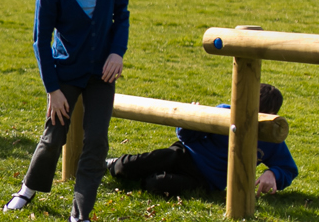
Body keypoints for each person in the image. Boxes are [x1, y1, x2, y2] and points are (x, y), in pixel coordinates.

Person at [3, 0, 129, 222]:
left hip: (103, 74)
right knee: (54, 134)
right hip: (65, 74)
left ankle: (81, 213)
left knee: (97, 140)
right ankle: (27, 191)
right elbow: (40, 41)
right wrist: (53, 89)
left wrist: (117, 52)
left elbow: (121, 15)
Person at [109, 83, 298, 197]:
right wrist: (191, 120)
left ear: (272, 116)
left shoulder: (271, 138)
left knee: (156, 184)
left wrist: (273, 174)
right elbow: (186, 137)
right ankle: (111, 164)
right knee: (126, 167)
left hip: (206, 180)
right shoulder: (224, 113)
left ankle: (143, 177)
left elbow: (288, 168)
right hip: (184, 155)